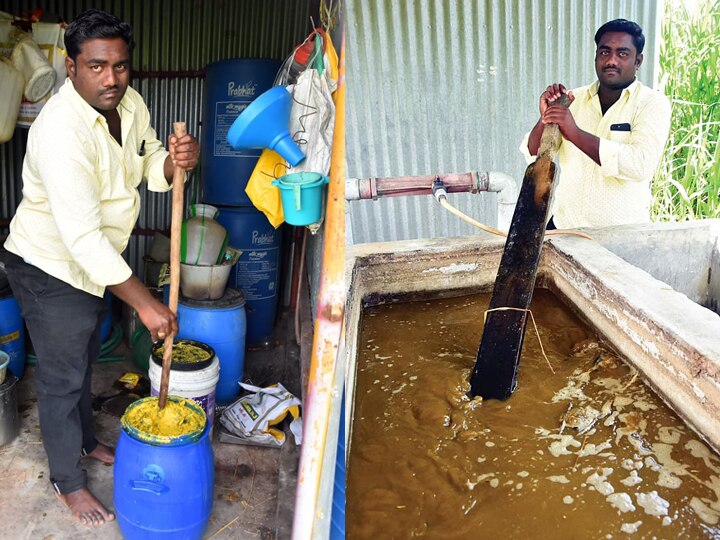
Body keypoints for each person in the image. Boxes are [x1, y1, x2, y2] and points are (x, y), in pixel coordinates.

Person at [1, 9, 199, 526]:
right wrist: (146, 305)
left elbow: (151, 160)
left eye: (120, 66)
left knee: (85, 356)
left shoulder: (128, 104)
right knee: (63, 376)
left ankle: (85, 441)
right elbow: (81, 238)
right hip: (50, 265)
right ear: (71, 67)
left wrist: (175, 160)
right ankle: (67, 480)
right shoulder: (60, 132)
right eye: (96, 66)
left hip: (93, 262)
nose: (111, 79)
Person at [521, 18, 671, 229]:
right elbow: (535, 152)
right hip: (565, 229)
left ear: (638, 61)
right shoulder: (573, 99)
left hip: (620, 237)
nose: (611, 60)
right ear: (596, 56)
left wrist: (574, 132)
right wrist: (546, 117)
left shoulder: (652, 103)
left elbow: (639, 165)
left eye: (623, 53)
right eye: (604, 52)